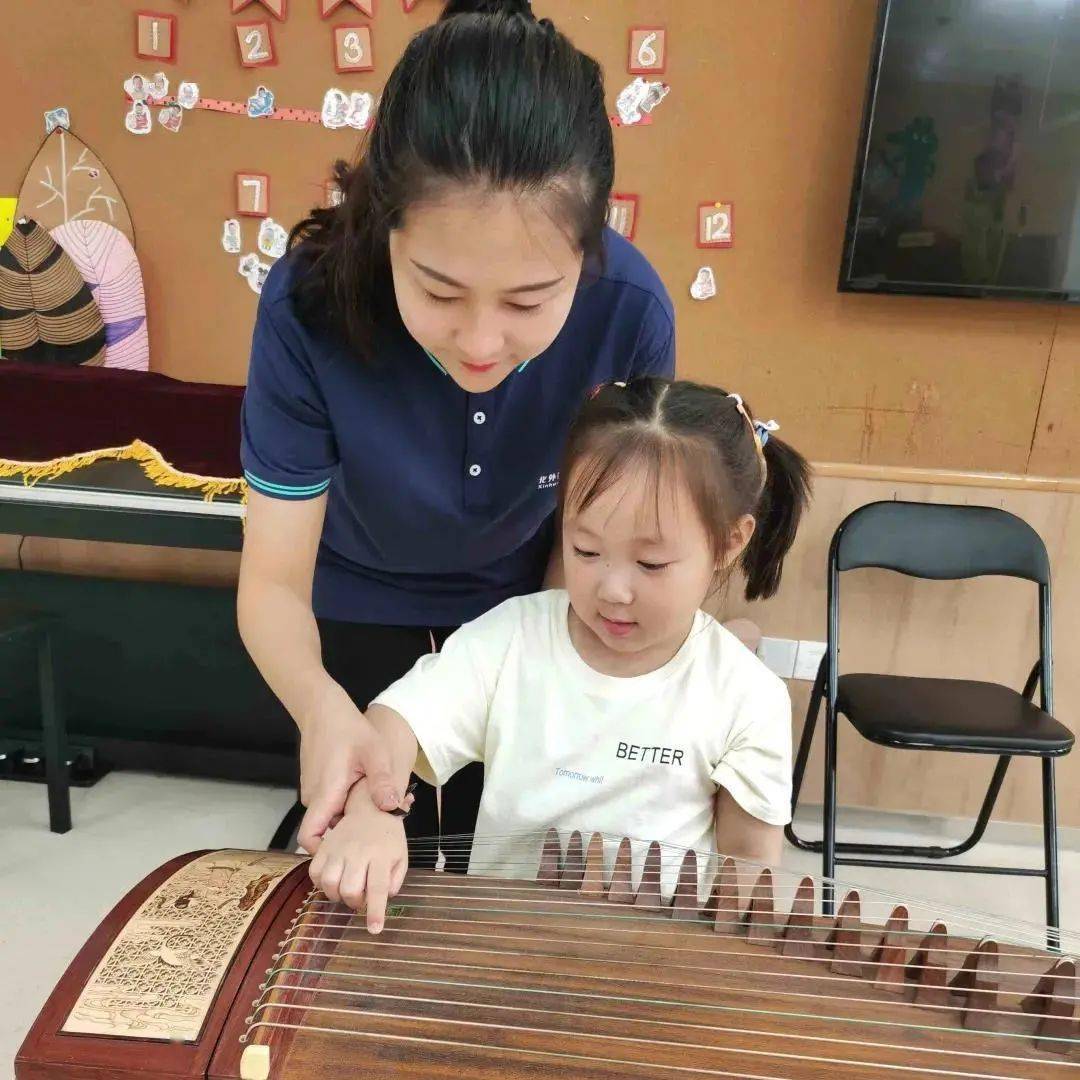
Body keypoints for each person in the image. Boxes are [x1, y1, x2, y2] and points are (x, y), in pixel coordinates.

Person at [237, 0, 676, 866]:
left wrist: (541, 671)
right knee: (352, 857)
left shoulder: (630, 314)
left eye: (528, 301)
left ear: (590, 253)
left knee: (497, 864)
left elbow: (588, 548)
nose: (481, 343)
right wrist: (327, 712)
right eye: (438, 292)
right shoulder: (308, 306)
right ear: (385, 228)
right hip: (348, 612)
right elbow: (273, 584)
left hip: (524, 614)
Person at [307, 377, 813, 932]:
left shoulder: (745, 696)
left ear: (730, 543)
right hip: (498, 949)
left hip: (649, 966)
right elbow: (395, 722)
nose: (613, 590)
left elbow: (748, 880)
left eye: (651, 564)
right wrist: (369, 810)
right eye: (587, 550)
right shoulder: (513, 641)